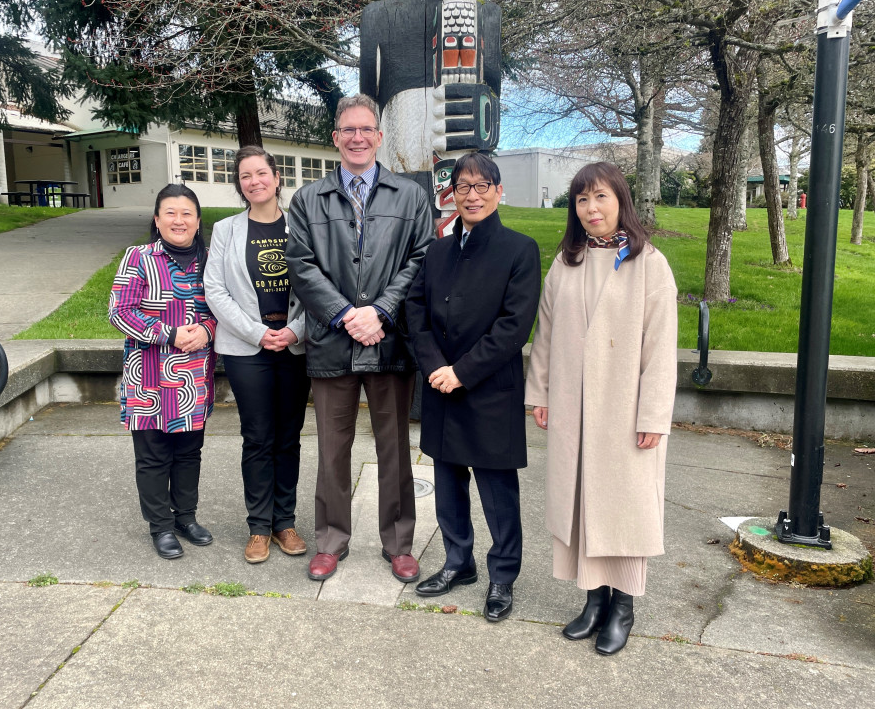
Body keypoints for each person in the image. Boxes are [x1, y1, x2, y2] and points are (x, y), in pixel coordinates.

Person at [525, 161, 677, 655]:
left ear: (621, 202)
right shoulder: (566, 261)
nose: (591, 209)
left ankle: (624, 608)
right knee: (579, 501)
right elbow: (544, 335)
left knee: (623, 506)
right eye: (582, 200)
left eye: (601, 198)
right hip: (572, 404)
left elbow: (661, 347)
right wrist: (540, 392)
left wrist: (654, 415)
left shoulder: (648, 263)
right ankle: (593, 601)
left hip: (624, 411)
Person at [287, 93, 434, 583]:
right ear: (336, 137)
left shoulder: (410, 196)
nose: (356, 138)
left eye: (365, 129)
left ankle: (399, 542)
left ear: (379, 136)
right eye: (347, 130)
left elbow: (420, 258)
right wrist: (347, 315)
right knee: (332, 448)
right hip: (332, 342)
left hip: (390, 344)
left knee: (394, 447)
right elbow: (301, 266)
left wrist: (382, 312)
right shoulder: (309, 199)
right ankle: (331, 539)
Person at [405, 153, 541, 623]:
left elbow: (513, 327)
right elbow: (415, 313)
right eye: (464, 187)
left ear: (499, 192)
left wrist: (462, 371)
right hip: (442, 386)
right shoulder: (438, 250)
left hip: (488, 388)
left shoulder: (520, 250)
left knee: (497, 492)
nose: (473, 195)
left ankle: (502, 576)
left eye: (483, 186)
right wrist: (435, 367)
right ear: (453, 194)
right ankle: (457, 562)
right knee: (447, 485)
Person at [204, 146, 310, 564]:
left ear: (276, 176)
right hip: (247, 350)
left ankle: (285, 522)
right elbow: (215, 289)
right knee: (257, 437)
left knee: (289, 438)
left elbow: (317, 284)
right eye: (245, 176)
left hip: (295, 347)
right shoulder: (226, 230)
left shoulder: (301, 227)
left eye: (260, 173)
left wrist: (293, 331)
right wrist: (258, 333)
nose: (254, 181)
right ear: (239, 184)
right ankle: (258, 527)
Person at [109, 184, 217, 560]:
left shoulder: (210, 259)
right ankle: (161, 526)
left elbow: (223, 309)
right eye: (170, 212)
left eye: (187, 213)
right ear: (157, 220)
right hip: (150, 377)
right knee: (154, 455)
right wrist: (168, 333)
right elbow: (120, 312)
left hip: (193, 379)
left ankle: (185, 517)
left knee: (189, 453)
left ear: (198, 221)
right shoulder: (138, 257)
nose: (178, 220)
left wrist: (207, 330)